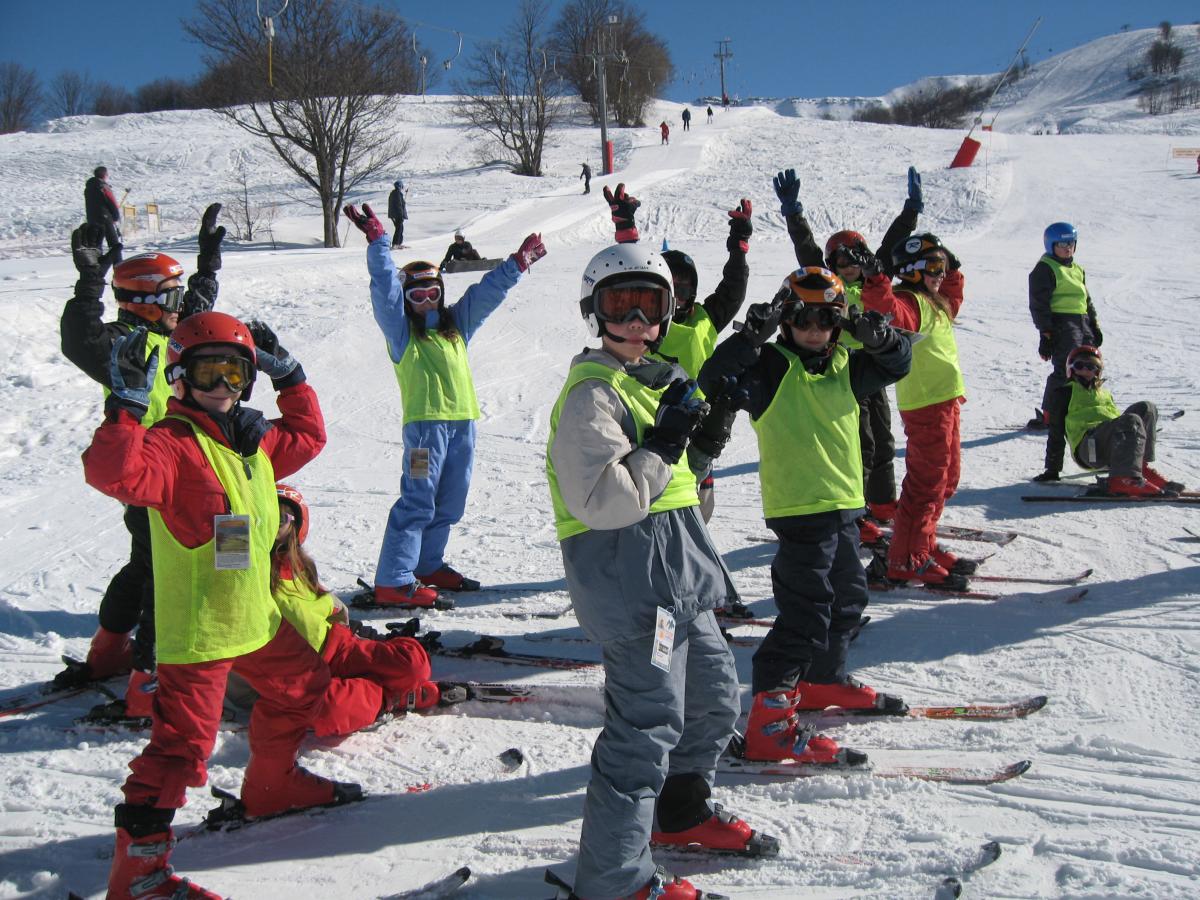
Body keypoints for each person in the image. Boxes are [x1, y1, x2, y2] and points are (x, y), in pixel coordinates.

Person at [83, 310, 359, 899]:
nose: (222, 388)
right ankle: (139, 877)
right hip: (202, 633)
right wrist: (128, 405)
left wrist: (293, 376)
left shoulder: (250, 444)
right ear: (178, 377)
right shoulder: (171, 445)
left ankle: (272, 785)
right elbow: (114, 472)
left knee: (305, 684)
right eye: (208, 373)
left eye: (236, 374)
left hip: (256, 620)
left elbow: (309, 436)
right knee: (181, 750)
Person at [547, 241, 776, 900]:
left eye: (652, 307)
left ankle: (677, 814)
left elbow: (688, 470)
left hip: (680, 576)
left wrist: (715, 402)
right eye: (623, 306)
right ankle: (614, 881)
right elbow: (605, 501)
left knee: (711, 701)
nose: (639, 323)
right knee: (645, 729)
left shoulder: (657, 378)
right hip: (634, 582)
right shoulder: (593, 393)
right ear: (596, 312)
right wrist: (667, 442)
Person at [698, 269, 912, 757]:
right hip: (798, 510)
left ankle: (821, 680)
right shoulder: (770, 365)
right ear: (785, 321)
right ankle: (768, 725)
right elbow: (714, 379)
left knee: (847, 599)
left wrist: (877, 335)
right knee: (804, 614)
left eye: (825, 320)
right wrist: (750, 337)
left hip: (842, 506)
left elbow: (899, 363)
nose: (813, 330)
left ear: (839, 324)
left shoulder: (846, 364)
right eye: (801, 319)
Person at [56, 205, 226, 719]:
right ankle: (145, 690)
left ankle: (107, 653)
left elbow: (196, 305)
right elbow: (78, 339)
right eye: (171, 297)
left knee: (142, 569)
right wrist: (90, 281)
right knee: (164, 582)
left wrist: (208, 267)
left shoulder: (167, 332)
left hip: (168, 474)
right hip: (148, 475)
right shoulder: (120, 343)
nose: (182, 306)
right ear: (147, 302)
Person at [343, 202, 546, 606]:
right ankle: (395, 579)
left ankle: (427, 564)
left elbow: (485, 294)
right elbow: (384, 292)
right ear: (406, 299)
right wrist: (379, 245)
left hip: (462, 426)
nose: (426, 301)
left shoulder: (456, 327)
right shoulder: (402, 334)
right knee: (418, 499)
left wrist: (517, 264)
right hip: (424, 431)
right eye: (416, 295)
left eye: (432, 293)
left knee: (450, 500)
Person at [773, 166, 923, 546]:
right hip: (840, 375)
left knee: (884, 440)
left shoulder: (878, 278)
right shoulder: (829, 286)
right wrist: (793, 212)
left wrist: (911, 209)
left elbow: (895, 239)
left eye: (853, 260)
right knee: (858, 443)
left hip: (874, 371)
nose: (847, 268)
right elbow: (804, 246)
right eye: (839, 263)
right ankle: (856, 510)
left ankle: (883, 503)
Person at [602, 180, 752, 520]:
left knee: (695, 490)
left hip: (698, 417)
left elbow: (732, 289)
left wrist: (739, 246)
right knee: (654, 486)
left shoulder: (705, 318)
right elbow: (633, 269)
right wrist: (625, 229)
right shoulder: (652, 318)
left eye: (687, 286)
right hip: (650, 417)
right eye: (672, 285)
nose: (681, 294)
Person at [254, 483, 443, 735]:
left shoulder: (301, 567)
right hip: (296, 670)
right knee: (331, 710)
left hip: (339, 649)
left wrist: (367, 637)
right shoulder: (252, 571)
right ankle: (388, 697)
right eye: (266, 515)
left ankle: (372, 687)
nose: (272, 525)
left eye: (280, 518)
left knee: (413, 664)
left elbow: (332, 610)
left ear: (295, 526)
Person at [860, 233, 973, 589]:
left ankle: (920, 543)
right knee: (926, 484)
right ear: (911, 271)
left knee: (945, 481)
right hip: (926, 405)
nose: (942, 273)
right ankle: (906, 559)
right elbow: (890, 312)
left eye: (943, 265)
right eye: (934, 267)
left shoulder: (937, 301)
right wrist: (878, 280)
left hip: (946, 402)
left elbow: (953, 292)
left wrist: (948, 262)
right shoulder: (913, 302)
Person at [1050, 346, 1184, 497]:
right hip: (1089, 450)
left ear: (1098, 371)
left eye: (1092, 366)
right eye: (1081, 366)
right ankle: (1121, 480)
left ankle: (1138, 468)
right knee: (1131, 420)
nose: (1087, 370)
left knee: (1146, 408)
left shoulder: (1104, 393)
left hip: (1111, 445)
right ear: (1071, 368)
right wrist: (1052, 470)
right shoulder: (1064, 393)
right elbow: (1055, 431)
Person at [1028, 222, 1101, 482]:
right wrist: (1046, 333)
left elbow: (1086, 299)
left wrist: (1094, 324)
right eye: (1061, 244)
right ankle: (1051, 414)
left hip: (1081, 321)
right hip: (1062, 323)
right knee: (1066, 372)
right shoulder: (1045, 269)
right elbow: (1039, 302)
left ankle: (1090, 410)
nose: (1067, 248)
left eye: (1070, 243)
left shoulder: (1078, 269)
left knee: (1091, 370)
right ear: (1051, 245)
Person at [84, 165, 123, 261]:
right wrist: (115, 216)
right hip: (105, 218)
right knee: (114, 245)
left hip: (92, 219)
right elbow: (111, 201)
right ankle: (118, 266)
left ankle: (96, 267)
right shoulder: (103, 186)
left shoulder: (88, 188)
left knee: (96, 245)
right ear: (105, 175)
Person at [387, 180, 408, 248]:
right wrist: (401, 215)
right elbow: (399, 205)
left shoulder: (395, 193)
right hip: (397, 215)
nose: (402, 187)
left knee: (400, 228)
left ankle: (398, 243)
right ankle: (395, 244)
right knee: (399, 228)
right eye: (401, 186)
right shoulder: (397, 194)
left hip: (395, 215)